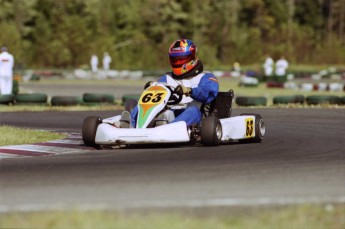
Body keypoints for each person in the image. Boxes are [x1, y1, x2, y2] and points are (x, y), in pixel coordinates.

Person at [121, 39, 219, 128]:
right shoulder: (167, 78)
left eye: (180, 59)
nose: (177, 62)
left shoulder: (205, 77)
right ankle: (132, 125)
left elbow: (209, 92)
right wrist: (152, 87)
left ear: (191, 58)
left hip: (193, 115)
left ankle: (168, 128)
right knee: (142, 105)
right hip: (168, 111)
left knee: (193, 111)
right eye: (174, 59)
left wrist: (189, 91)